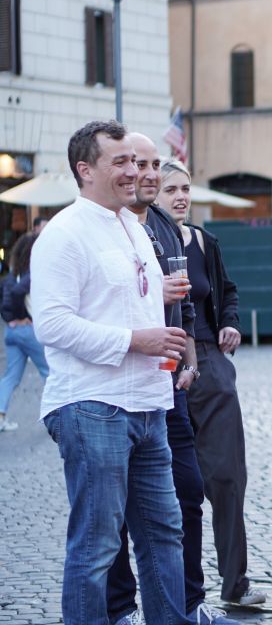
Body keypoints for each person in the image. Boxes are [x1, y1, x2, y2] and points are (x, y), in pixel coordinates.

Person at [31, 120, 191, 624]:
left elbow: (130, 304)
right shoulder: (63, 234)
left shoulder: (134, 229)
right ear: (86, 170)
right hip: (91, 405)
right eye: (119, 162)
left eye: (136, 162)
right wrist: (134, 340)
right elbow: (51, 324)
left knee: (165, 534)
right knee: (98, 545)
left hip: (148, 404)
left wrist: (168, 348)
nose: (134, 172)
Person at [104, 135, 239, 625]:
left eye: (153, 164)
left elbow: (194, 300)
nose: (147, 173)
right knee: (112, 513)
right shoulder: (100, 226)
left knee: (186, 494)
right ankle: (120, 609)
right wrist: (150, 291)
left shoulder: (162, 226)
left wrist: (188, 360)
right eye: (136, 163)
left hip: (166, 385)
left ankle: (188, 603)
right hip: (108, 393)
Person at [155, 157, 266, 611]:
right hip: (163, 364)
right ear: (152, 194)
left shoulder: (204, 240)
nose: (180, 196)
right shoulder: (144, 242)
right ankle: (181, 590)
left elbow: (228, 290)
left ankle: (234, 582)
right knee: (176, 485)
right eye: (170, 190)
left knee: (227, 477)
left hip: (212, 364)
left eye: (184, 188)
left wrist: (231, 324)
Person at [0, 233, 49, 432]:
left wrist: (12, 320)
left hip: (11, 332)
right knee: (51, 373)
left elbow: (6, 300)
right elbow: (18, 293)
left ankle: (1, 417)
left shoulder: (12, 276)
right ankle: (55, 419)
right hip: (27, 331)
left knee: (10, 376)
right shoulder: (31, 275)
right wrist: (23, 318)